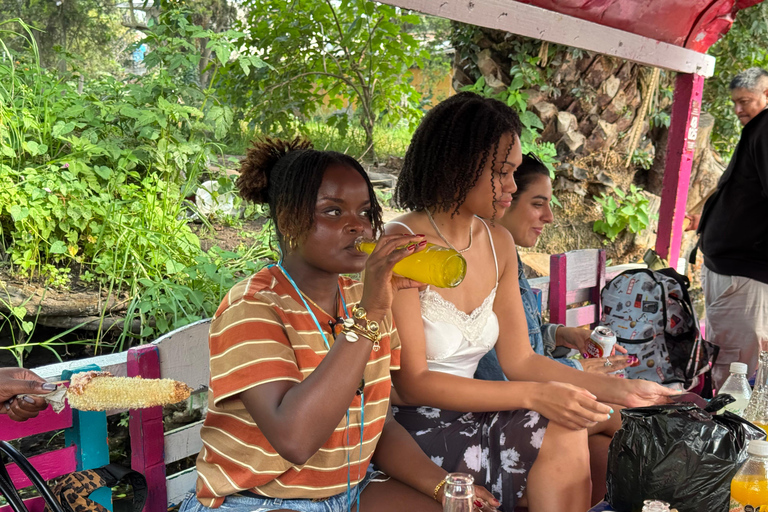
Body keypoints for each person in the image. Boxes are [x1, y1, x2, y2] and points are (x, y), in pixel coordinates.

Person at [385, 92, 676, 511]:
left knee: (569, 418)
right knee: (560, 416)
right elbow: (412, 383)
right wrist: (535, 396)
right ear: (459, 163)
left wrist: (622, 390)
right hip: (416, 427)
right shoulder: (404, 243)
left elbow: (520, 359)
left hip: (479, 414)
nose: (511, 186)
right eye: (502, 173)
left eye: (514, 172)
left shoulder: (497, 242)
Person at [179, 137, 498, 512]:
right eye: (333, 211)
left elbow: (379, 425)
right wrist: (370, 314)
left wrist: (442, 486)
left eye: (365, 212)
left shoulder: (360, 297)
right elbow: (295, 439)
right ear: (288, 220)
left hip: (348, 493)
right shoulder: (253, 308)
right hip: (252, 501)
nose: (358, 226)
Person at [475, 153, 637, 377]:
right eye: (537, 204)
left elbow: (516, 342)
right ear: (503, 200)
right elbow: (505, 372)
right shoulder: (476, 270)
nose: (549, 217)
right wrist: (581, 370)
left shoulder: (506, 256)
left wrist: (560, 335)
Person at [691, 67, 768, 389]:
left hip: (745, 273)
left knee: (735, 370)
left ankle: (730, 419)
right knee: (729, 359)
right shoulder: (758, 130)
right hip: (735, 270)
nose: (738, 109)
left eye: (745, 101)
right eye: (735, 102)